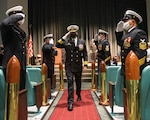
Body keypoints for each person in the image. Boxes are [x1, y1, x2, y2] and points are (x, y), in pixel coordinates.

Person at [56, 25, 88, 111]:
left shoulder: (82, 42)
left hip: (78, 65)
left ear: (77, 33)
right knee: (70, 83)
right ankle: (70, 102)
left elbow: (85, 54)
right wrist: (65, 36)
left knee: (78, 81)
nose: (73, 34)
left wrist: (85, 64)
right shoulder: (66, 41)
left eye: (74, 32)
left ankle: (78, 93)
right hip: (69, 65)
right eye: (71, 33)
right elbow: (57, 44)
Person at [115, 10, 148, 86]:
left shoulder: (139, 33)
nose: (124, 23)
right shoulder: (127, 35)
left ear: (133, 22)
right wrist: (118, 32)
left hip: (134, 71)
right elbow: (121, 44)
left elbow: (140, 54)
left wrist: (132, 67)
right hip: (127, 70)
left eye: (126, 20)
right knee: (126, 94)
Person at [0, 5, 27, 90]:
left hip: (21, 64)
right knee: (12, 93)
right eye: (18, 17)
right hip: (11, 64)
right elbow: (4, 22)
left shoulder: (18, 30)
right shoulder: (7, 27)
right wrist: (20, 15)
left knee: (21, 91)